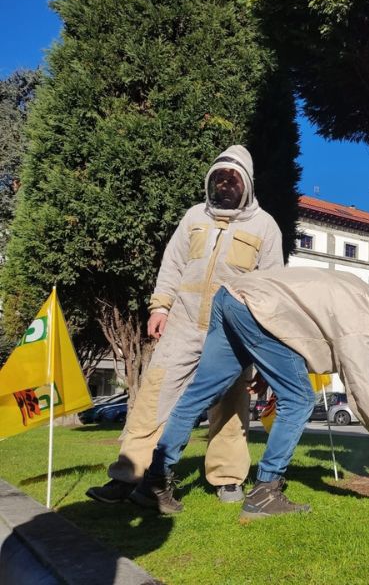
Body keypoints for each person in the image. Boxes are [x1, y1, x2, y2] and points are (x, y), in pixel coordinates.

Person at [129, 267, 369, 520]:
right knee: (299, 399)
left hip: (231, 297)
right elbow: (363, 389)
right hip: (256, 309)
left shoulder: (358, 290)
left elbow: (304, 329)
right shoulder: (361, 322)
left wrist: (265, 370)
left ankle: (153, 483)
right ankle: (265, 492)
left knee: (200, 394)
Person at [87, 145, 283, 505]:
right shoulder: (194, 216)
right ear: (211, 181)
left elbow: (272, 289)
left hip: (234, 332)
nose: (225, 184)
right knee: (153, 397)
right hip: (183, 323)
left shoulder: (265, 226)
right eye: (219, 178)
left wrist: (265, 342)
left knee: (230, 403)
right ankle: (129, 476)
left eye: (233, 178)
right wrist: (160, 307)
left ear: (248, 185)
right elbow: (172, 264)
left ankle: (227, 479)